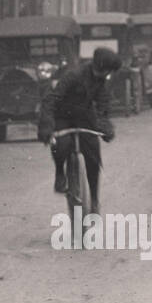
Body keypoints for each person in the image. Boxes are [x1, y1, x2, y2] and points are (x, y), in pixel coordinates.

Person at [37, 46, 120, 211]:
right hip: (63, 116)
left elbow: (103, 105)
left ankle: (94, 199)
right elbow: (51, 100)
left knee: (93, 153)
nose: (109, 74)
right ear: (101, 67)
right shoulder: (73, 76)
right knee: (61, 144)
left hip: (84, 117)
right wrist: (47, 125)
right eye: (108, 70)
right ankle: (60, 173)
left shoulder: (101, 80)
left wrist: (104, 126)